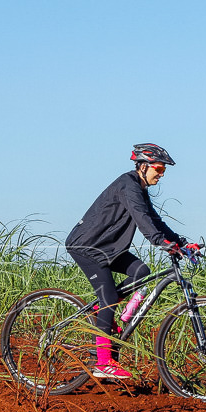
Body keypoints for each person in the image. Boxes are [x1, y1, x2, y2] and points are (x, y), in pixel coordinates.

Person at [66, 143, 195, 379]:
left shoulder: (139, 189)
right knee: (108, 298)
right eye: (159, 168)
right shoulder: (128, 185)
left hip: (107, 248)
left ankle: (108, 317)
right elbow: (141, 217)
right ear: (143, 166)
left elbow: (155, 220)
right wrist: (160, 242)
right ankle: (103, 363)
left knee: (141, 271)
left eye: (164, 170)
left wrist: (181, 243)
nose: (161, 174)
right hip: (87, 246)